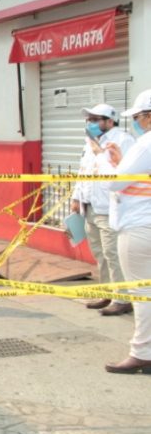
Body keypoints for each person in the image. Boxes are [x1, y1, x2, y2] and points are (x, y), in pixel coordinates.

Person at [102, 90, 151, 374]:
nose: (136, 122)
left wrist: (112, 165)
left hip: (139, 224)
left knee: (142, 292)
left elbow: (115, 183)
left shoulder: (145, 144)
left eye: (138, 117)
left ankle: (142, 352)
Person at [73, 104, 136, 316]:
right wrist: (76, 197)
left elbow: (126, 175)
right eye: (88, 119)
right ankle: (107, 292)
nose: (90, 123)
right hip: (90, 206)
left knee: (113, 253)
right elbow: (84, 171)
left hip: (109, 209)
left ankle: (122, 298)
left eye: (95, 119)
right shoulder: (90, 142)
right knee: (100, 253)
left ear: (109, 121)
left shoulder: (123, 140)